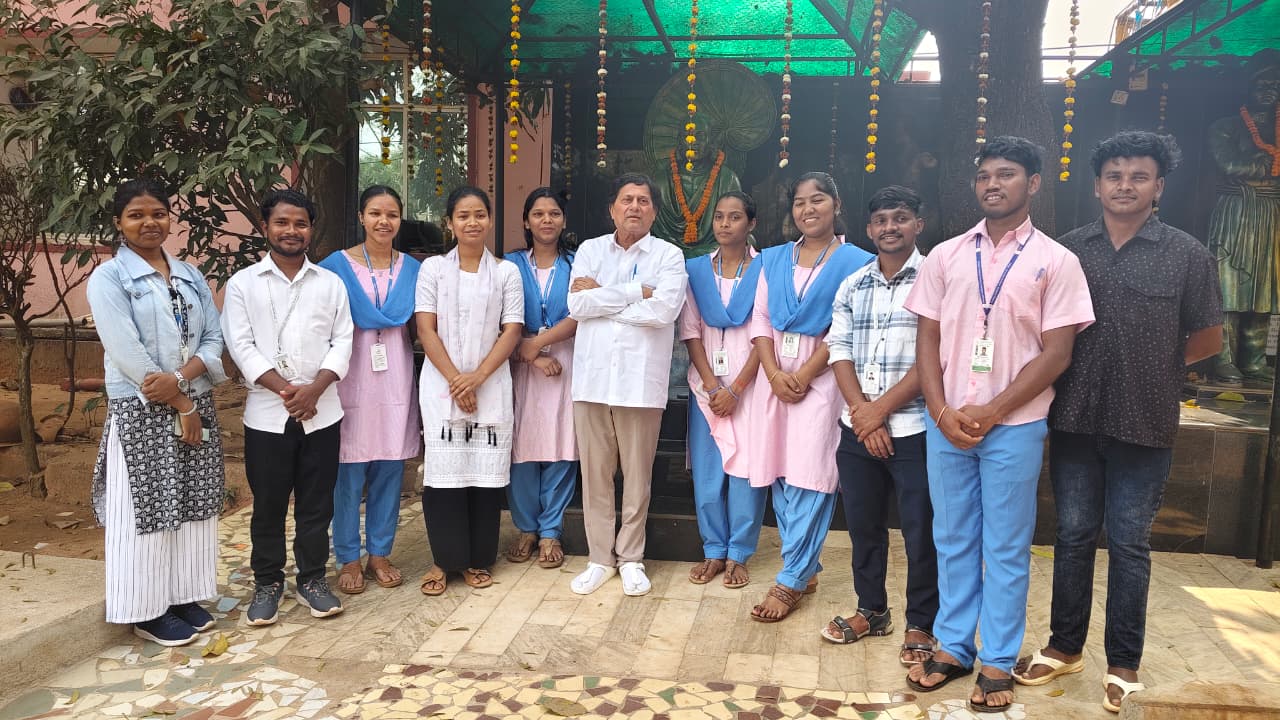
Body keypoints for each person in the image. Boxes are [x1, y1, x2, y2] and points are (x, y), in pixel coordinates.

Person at [1014, 132, 1223, 713]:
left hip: (1146, 421)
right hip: (1076, 417)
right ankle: (1064, 646)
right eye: (1114, 176)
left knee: (1129, 542)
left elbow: (1208, 337)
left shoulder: (1187, 254)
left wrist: (1157, 368)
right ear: (1097, 186)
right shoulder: (1067, 252)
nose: (1125, 186)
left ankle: (1123, 662)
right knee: (1073, 535)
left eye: (1138, 176)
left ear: (1159, 187)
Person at [903, 137, 1094, 713]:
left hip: (1014, 427)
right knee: (952, 538)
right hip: (947, 423)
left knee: (1006, 545)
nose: (992, 184)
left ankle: (997, 659)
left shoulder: (1056, 261)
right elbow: (927, 341)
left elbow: (1057, 353)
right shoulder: (945, 256)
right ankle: (955, 646)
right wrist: (940, 411)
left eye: (1006, 174)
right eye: (984, 175)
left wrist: (994, 410)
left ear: (1032, 183)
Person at [87, 179, 228, 646]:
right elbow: (125, 350)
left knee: (191, 501)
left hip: (193, 401)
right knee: (146, 507)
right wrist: (181, 401)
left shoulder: (189, 275)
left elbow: (213, 339)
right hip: (141, 408)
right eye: (136, 215)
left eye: (158, 213)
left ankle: (182, 595)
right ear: (118, 222)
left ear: (170, 218)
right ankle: (146, 610)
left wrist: (183, 383)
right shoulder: (109, 279)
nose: (149, 223)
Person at [222, 189, 353, 626]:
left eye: (300, 223)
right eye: (282, 222)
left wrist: (314, 390)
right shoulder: (244, 284)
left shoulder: (330, 284)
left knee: (317, 505)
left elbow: (343, 341)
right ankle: (267, 582)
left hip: (323, 413)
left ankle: (312, 579)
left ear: (311, 230)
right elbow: (241, 345)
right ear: (265, 228)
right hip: (267, 416)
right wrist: (288, 392)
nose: (291, 231)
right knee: (269, 505)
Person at [748, 172, 873, 623]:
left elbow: (844, 327)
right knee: (779, 472)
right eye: (799, 202)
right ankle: (805, 566)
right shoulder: (774, 258)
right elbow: (760, 319)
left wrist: (803, 374)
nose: (808, 209)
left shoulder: (857, 262)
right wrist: (773, 373)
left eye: (817, 199)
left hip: (823, 378)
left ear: (836, 204)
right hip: (773, 376)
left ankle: (791, 578)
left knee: (813, 475)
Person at [821, 185, 938, 668]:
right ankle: (872, 610)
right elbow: (839, 349)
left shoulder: (936, 279)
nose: (891, 227)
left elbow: (936, 357)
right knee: (864, 526)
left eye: (901, 218)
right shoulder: (853, 284)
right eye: (882, 220)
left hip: (915, 429)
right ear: (869, 229)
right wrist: (862, 414)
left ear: (918, 225)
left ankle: (922, 622)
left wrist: (879, 411)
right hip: (857, 427)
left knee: (920, 531)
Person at [566, 173, 688, 596]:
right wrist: (637, 290)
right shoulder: (590, 250)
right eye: (626, 199)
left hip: (639, 383)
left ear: (654, 212)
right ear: (612, 209)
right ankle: (600, 558)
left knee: (638, 477)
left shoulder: (669, 255)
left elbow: (664, 311)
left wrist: (602, 297)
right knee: (595, 476)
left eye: (643, 200)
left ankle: (631, 557)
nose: (634, 206)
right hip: (593, 381)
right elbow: (576, 304)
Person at [415, 186, 524, 596]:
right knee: (444, 476)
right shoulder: (432, 270)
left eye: (479, 214)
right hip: (441, 384)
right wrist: (456, 380)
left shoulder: (506, 272)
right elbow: (426, 328)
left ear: (490, 220)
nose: (472, 222)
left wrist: (476, 377)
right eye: (463, 215)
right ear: (450, 223)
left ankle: (478, 558)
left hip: (490, 382)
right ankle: (445, 560)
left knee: (483, 476)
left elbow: (512, 329)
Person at [317, 185, 422, 594]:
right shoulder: (333, 268)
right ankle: (348, 556)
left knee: (390, 468)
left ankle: (380, 553)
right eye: (375, 213)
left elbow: (421, 326)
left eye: (392, 214)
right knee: (347, 470)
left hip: (395, 379)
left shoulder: (413, 270)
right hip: (349, 380)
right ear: (361, 217)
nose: (384, 221)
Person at [680, 191, 767, 589]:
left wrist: (737, 388)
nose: (725, 223)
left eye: (735, 217)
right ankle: (714, 549)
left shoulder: (765, 270)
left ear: (751, 223)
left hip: (752, 387)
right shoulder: (696, 270)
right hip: (706, 389)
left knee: (746, 470)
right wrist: (714, 386)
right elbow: (691, 332)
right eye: (719, 216)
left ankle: (739, 553)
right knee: (708, 471)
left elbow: (765, 332)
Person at [507, 187, 579, 570]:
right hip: (520, 362)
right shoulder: (509, 265)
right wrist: (533, 354)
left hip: (566, 360)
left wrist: (540, 345)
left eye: (554, 213)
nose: (546, 220)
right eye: (538, 213)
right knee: (521, 447)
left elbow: (582, 312)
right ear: (526, 221)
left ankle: (551, 530)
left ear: (563, 221)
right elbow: (498, 316)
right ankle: (526, 528)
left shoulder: (579, 264)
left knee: (562, 445)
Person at [1206, 50, 1280, 384]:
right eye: (1263, 83)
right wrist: (1260, 166)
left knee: (1265, 289)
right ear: (1247, 85)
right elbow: (1229, 165)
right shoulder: (1225, 127)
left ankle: (1254, 360)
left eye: (1276, 85)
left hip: (1271, 212)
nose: (1269, 90)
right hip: (1236, 211)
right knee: (1229, 286)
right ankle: (1222, 358)